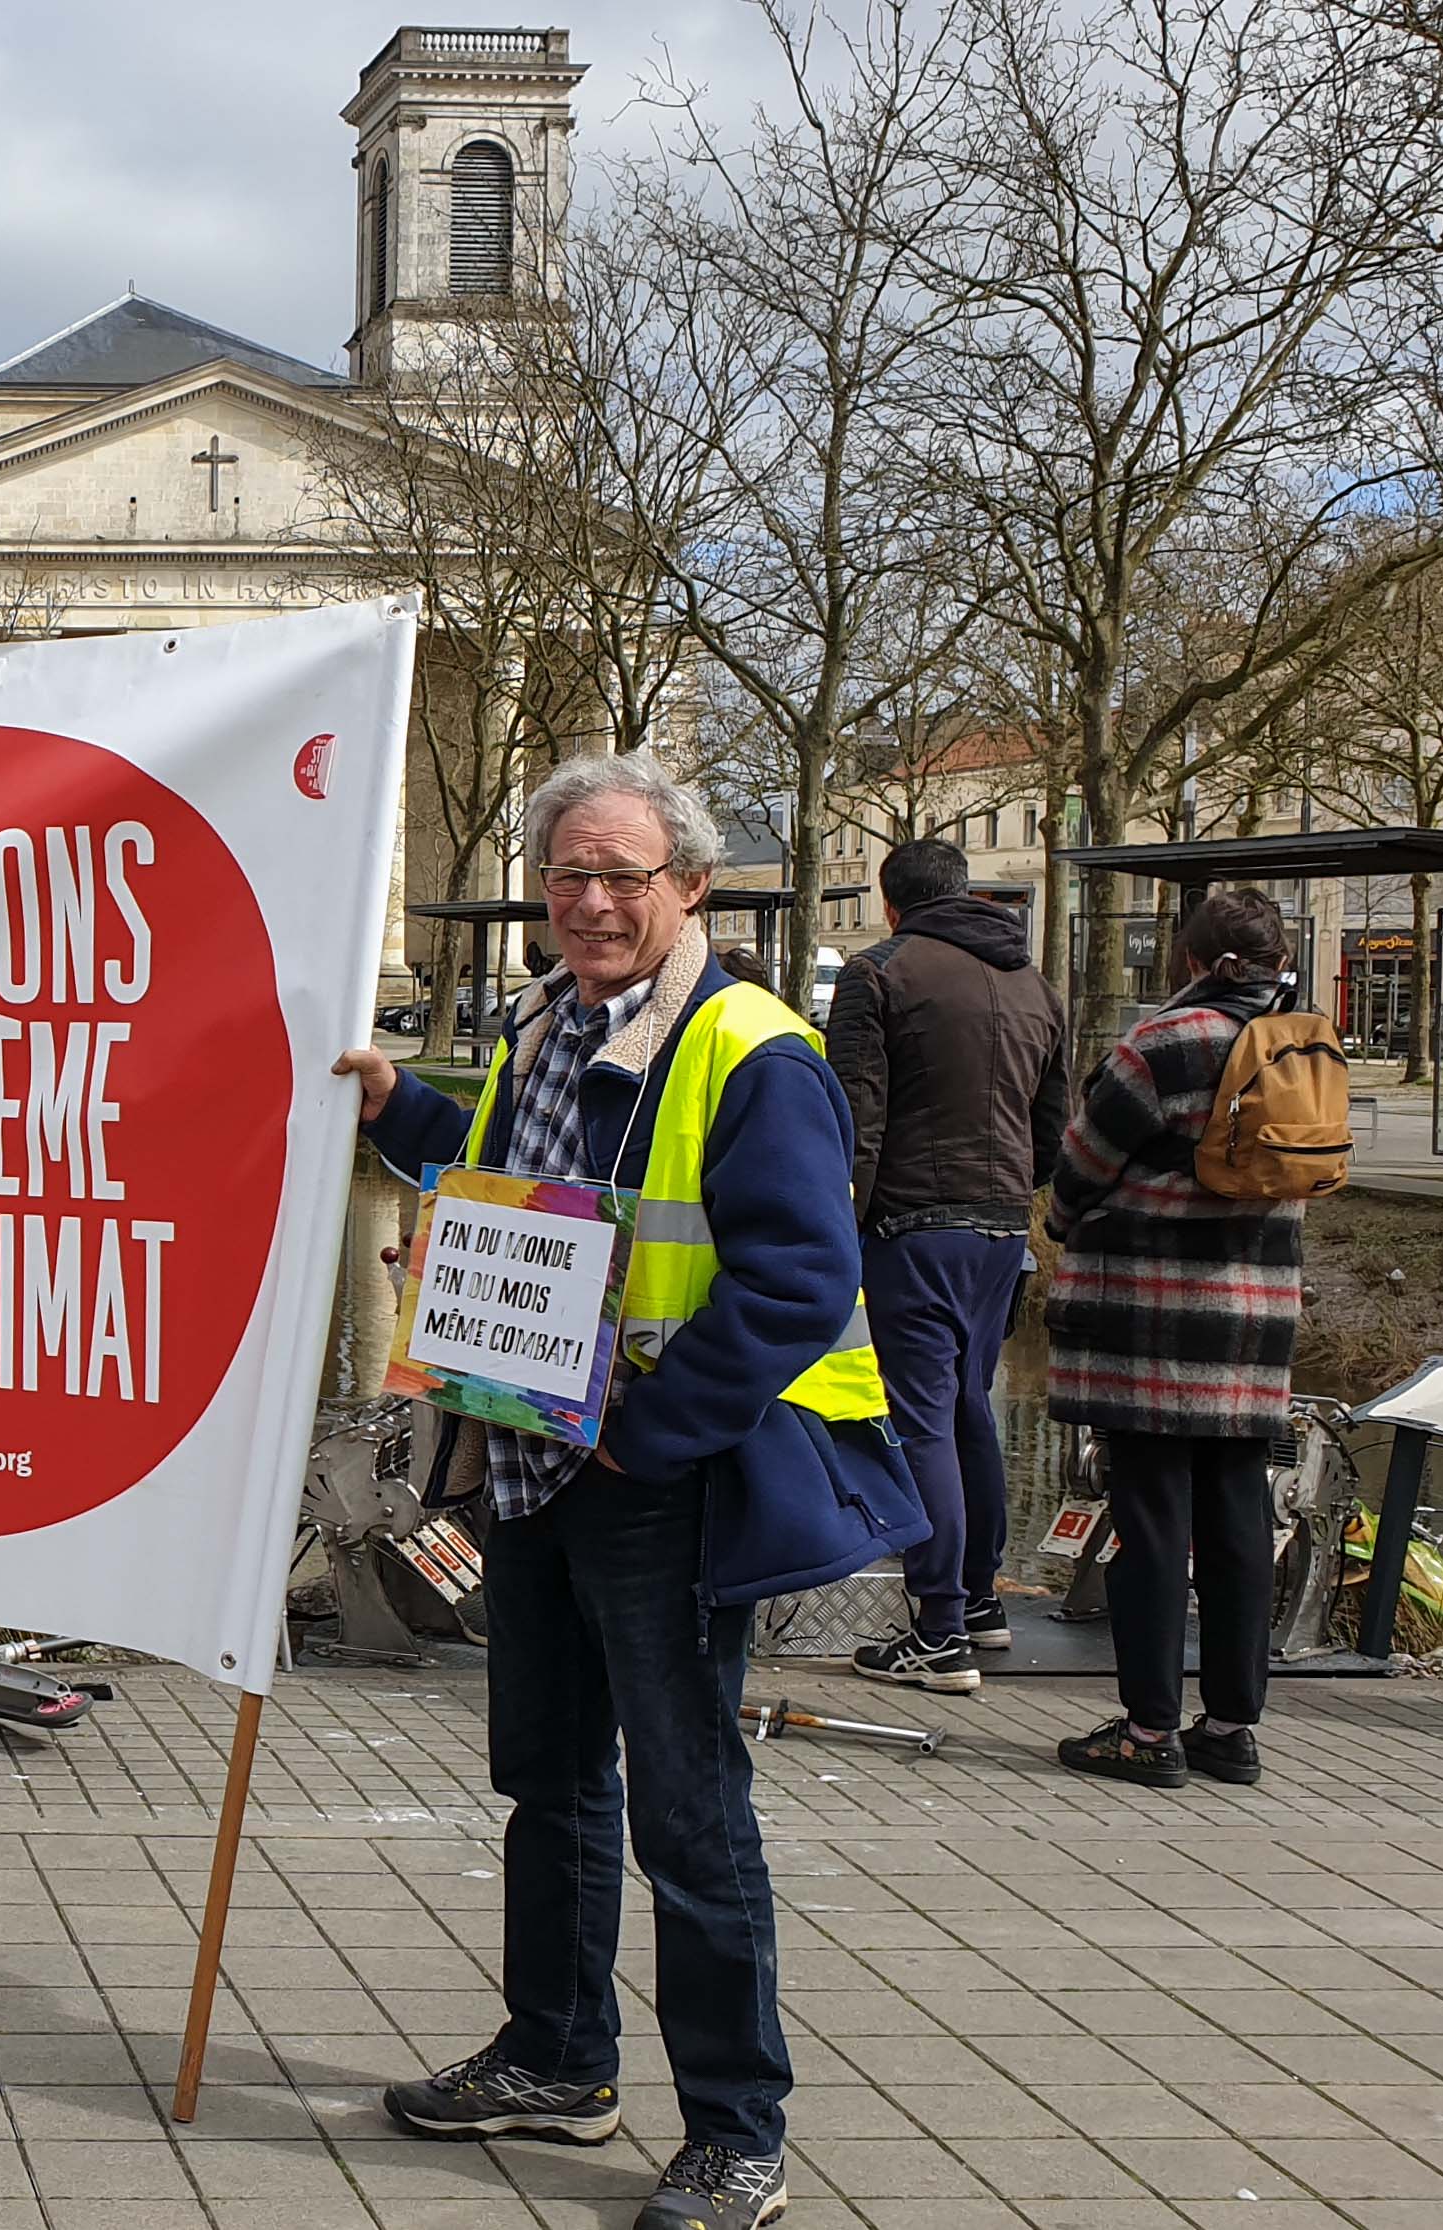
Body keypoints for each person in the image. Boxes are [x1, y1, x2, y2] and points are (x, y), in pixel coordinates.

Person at [334, 756, 923, 2230]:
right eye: (568, 876)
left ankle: (736, 2130)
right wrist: (404, 1104)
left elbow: (800, 1280)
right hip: (532, 1470)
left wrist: (646, 1429)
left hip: (661, 1482)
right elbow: (504, 1174)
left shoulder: (749, 1049)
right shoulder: (549, 1025)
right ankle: (556, 2054)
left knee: (688, 1808)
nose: (590, 901)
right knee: (545, 1777)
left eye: (621, 876)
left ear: (688, 888)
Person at [1045, 887, 1304, 1789]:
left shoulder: (1164, 1043)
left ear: (1190, 960)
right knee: (1238, 1516)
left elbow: (1080, 1168)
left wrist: (1068, 1217)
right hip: (1257, 1307)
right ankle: (1230, 1726)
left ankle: (1148, 1730)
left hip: (1151, 1313)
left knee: (1148, 1520)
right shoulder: (1303, 1042)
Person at [824, 839, 1068, 1693]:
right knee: (970, 1409)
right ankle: (978, 1602)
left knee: (920, 1419)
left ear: (890, 905)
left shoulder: (879, 975)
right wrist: (1008, 1191)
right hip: (1002, 1230)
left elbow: (856, 1115)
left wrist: (837, 1229)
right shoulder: (1035, 983)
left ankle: (935, 1631)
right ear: (967, 894)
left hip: (912, 1226)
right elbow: (1051, 1126)